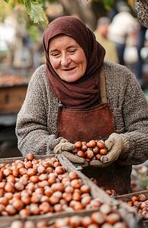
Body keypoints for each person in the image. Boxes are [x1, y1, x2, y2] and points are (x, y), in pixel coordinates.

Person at [15, 16, 148, 195]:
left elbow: (144, 129)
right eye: (55, 54)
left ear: (86, 47)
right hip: (57, 195)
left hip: (115, 196)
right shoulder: (42, 80)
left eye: (71, 51)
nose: (64, 61)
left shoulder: (120, 78)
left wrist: (125, 144)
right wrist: (53, 148)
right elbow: (27, 131)